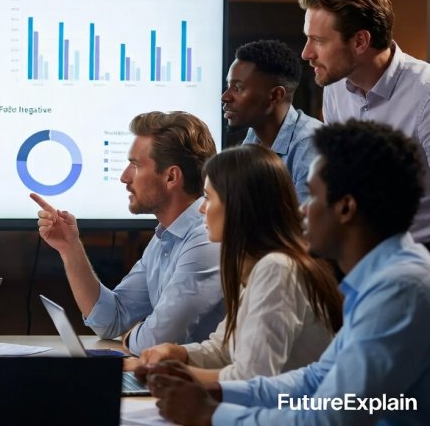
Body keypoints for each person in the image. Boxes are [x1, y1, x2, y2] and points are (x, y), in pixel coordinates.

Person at [143, 120, 430, 426]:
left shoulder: (401, 288)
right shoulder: (382, 280)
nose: (302, 209)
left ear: (346, 208)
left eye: (313, 195)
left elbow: (331, 416)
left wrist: (210, 413)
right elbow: (313, 381)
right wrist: (215, 390)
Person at [136, 144, 341, 381]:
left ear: (238, 205)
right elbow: (223, 351)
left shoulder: (277, 269)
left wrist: (172, 374)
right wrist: (176, 353)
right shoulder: (259, 266)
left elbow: (251, 377)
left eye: (208, 198)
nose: (202, 209)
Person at [31, 111, 224, 356]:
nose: (124, 177)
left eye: (135, 165)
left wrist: (132, 334)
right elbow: (111, 320)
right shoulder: (165, 237)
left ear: (171, 176)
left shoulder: (206, 238)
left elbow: (154, 340)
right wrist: (70, 247)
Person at [300, 0, 430, 250]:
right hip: (357, 252)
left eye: (318, 41)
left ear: (360, 41)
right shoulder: (334, 87)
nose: (306, 53)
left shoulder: (425, 93)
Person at [222, 39, 322, 202]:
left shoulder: (310, 146)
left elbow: (307, 225)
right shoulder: (253, 137)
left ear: (276, 95)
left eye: (238, 88)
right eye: (229, 85)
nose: (225, 97)